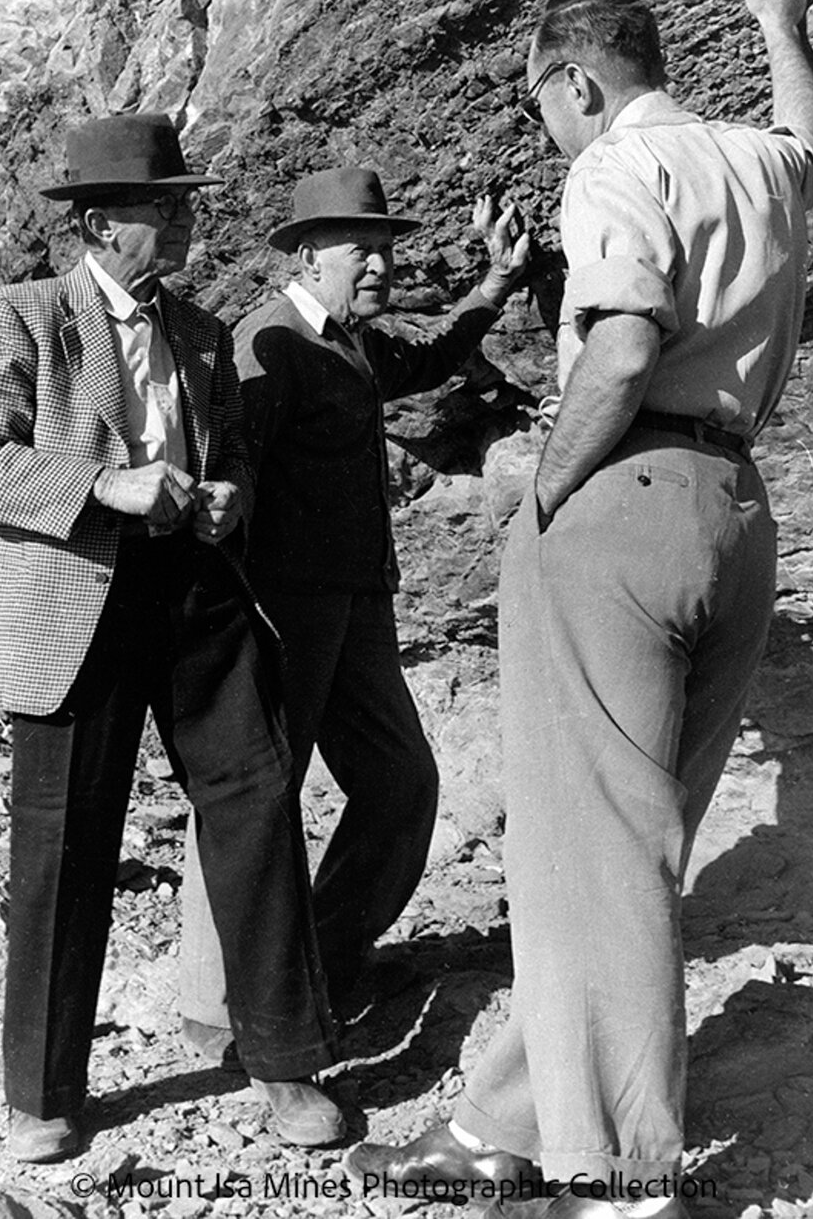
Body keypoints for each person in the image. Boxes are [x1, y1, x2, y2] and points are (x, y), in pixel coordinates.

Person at [343, 0, 813, 1219]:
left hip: (615, 504)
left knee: (582, 856)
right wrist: (783, 21)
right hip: (737, 509)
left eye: (546, 107)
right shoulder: (751, 159)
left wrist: (542, 488)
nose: (553, 131)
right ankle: (506, 1119)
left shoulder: (616, 165)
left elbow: (618, 351)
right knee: (626, 850)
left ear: (577, 80)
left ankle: (614, 1178)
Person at [0, 113, 343, 1163]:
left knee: (256, 803)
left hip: (197, 593)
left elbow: (241, 450)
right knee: (65, 842)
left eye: (182, 201)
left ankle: (286, 1060)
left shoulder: (203, 333)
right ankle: (41, 1092)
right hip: (73, 601)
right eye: (162, 204)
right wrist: (102, 484)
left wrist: (226, 496)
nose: (183, 218)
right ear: (100, 223)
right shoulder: (20, 317)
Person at [177, 165, 529, 1053]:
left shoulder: (348, 340)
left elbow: (424, 359)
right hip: (284, 615)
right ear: (305, 253)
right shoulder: (269, 342)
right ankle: (216, 1010)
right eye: (358, 249)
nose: (378, 265)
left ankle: (325, 962)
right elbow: (231, 474)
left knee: (400, 783)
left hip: (357, 609)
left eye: (384, 248)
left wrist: (492, 288)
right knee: (256, 800)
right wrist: (240, 615)